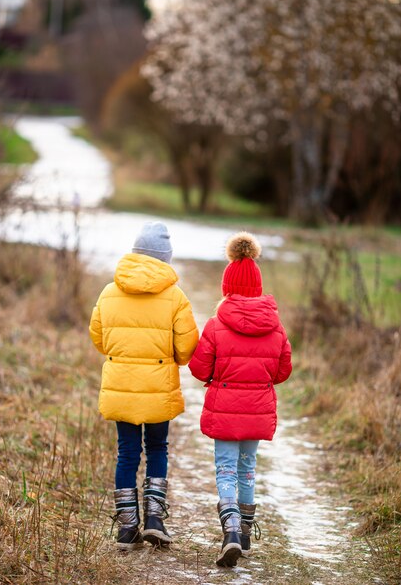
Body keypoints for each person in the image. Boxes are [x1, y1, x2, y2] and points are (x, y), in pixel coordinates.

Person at [89, 221, 199, 550]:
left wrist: (123, 355)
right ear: (165, 258)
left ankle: (127, 528)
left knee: (126, 454)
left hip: (121, 384)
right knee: (156, 449)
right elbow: (186, 348)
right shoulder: (175, 297)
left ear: (135, 253)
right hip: (158, 387)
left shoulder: (109, 292)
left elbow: (99, 338)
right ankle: (154, 519)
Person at [189, 232, 292, 568]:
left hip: (225, 411)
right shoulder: (274, 326)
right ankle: (244, 535)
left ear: (226, 286)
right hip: (258, 411)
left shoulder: (217, 324)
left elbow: (199, 366)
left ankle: (231, 531)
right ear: (258, 287)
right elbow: (282, 370)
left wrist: (214, 377)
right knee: (248, 469)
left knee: (226, 469)